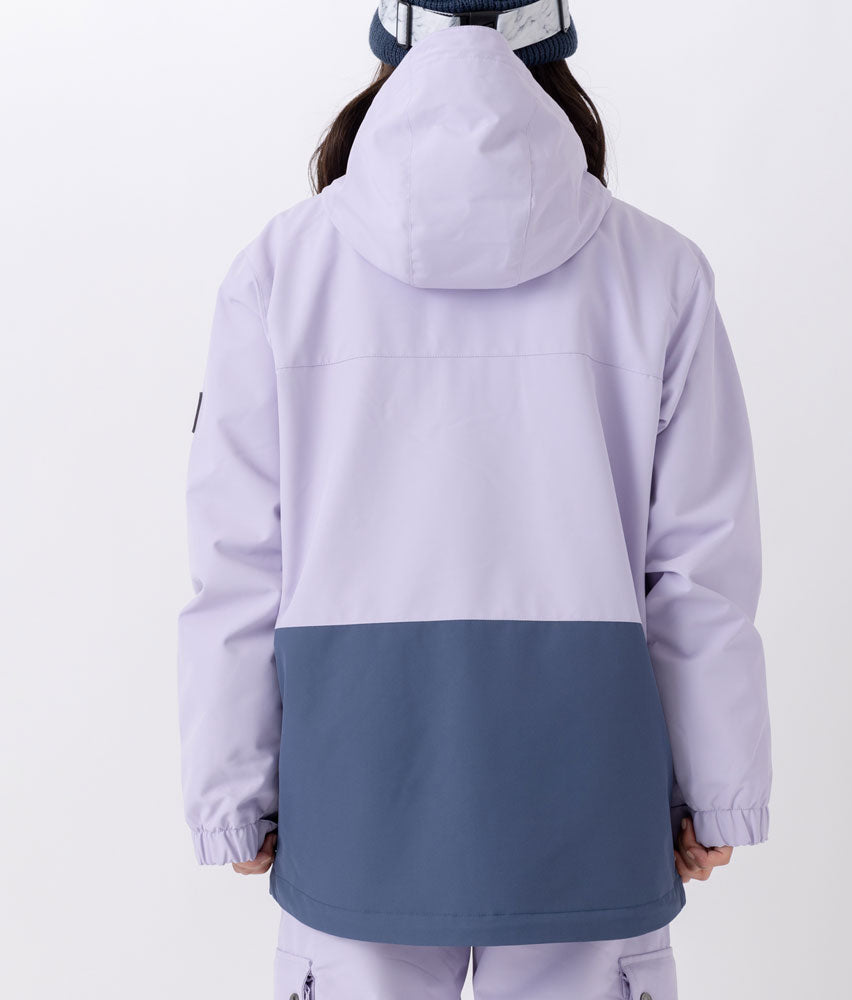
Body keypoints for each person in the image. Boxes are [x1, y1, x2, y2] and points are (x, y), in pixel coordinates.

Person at [177, 3, 773, 997]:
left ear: (388, 51)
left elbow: (237, 557)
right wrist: (718, 788)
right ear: (552, 50)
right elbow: (699, 565)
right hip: (588, 800)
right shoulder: (658, 271)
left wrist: (230, 791)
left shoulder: (279, 271)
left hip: (356, 798)